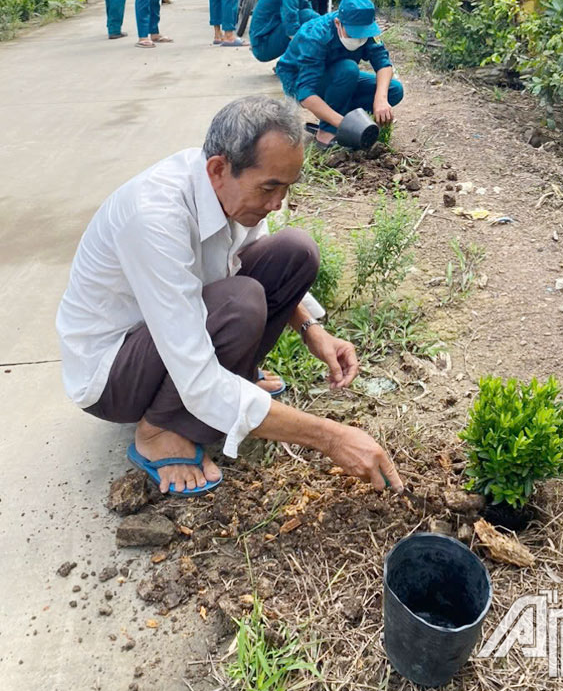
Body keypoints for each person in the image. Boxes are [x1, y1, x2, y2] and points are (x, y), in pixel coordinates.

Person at [56, 96, 404, 497]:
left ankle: (233, 382)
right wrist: (332, 437)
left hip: (171, 333)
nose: (277, 203)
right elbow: (199, 378)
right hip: (114, 375)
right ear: (219, 169)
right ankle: (158, 429)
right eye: (269, 188)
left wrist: (312, 329)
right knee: (239, 303)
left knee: (294, 251)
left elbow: (250, 254)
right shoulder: (154, 219)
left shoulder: (225, 187)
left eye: (286, 188)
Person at [276, 0, 403, 148]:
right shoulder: (314, 36)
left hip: (339, 75)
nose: (360, 39)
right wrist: (346, 125)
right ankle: (326, 132)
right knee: (348, 69)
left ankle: (337, 113)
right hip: (300, 80)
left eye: (364, 34)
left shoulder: (366, 29)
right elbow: (305, 93)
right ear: (338, 23)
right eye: (354, 34)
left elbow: (383, 63)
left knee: (394, 90)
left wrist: (381, 99)